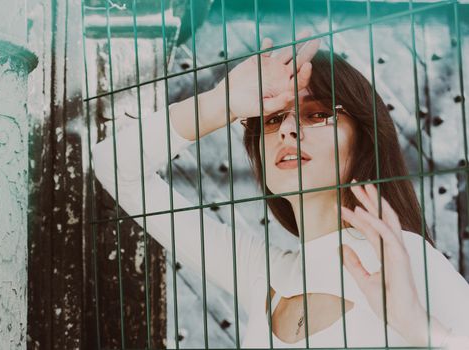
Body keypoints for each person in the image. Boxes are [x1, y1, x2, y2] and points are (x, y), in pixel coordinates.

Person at [92, 34, 469, 348]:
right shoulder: (262, 272)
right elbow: (116, 166)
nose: (288, 130)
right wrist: (220, 103)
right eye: (273, 119)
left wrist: (422, 330)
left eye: (317, 113)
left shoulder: (406, 259)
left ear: (363, 141)